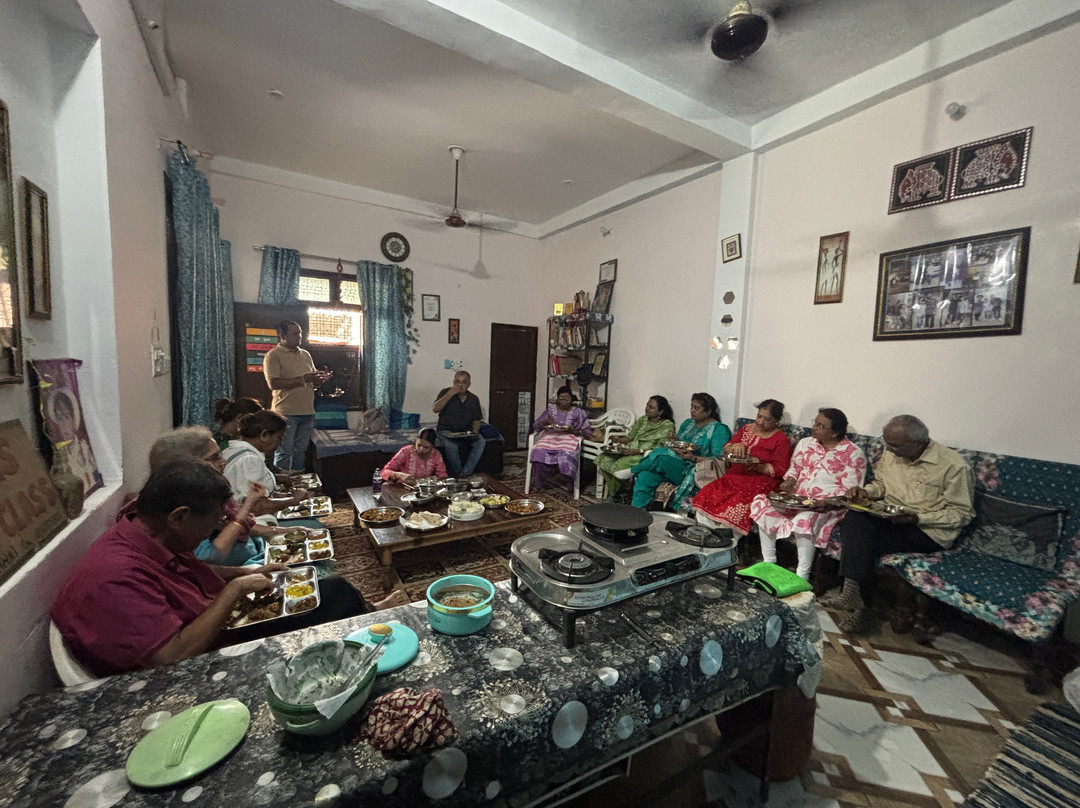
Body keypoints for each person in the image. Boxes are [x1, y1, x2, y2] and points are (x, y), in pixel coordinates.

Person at [50, 461, 379, 677]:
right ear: (178, 517)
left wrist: (245, 573)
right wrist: (235, 590)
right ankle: (356, 655)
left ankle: (371, 616)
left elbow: (185, 570)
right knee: (336, 599)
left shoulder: (141, 529)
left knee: (326, 590)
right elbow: (172, 656)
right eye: (212, 522)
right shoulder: (116, 577)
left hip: (202, 619)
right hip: (193, 664)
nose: (220, 527)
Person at [825, 414, 975, 634]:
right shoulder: (892, 451)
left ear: (918, 443)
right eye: (886, 442)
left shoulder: (954, 467)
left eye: (895, 445)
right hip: (891, 519)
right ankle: (856, 598)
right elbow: (881, 485)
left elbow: (962, 513)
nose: (888, 449)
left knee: (863, 541)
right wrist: (866, 492)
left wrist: (918, 517)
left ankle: (859, 604)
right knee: (854, 517)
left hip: (927, 531)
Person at [748, 408, 866, 579]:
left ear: (835, 433)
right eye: (815, 422)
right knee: (763, 504)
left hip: (827, 505)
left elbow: (850, 494)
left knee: (805, 519)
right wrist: (789, 482)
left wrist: (826, 502)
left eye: (820, 426)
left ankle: (801, 575)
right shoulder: (805, 443)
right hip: (797, 499)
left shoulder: (853, 454)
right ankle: (769, 563)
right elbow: (794, 471)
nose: (814, 428)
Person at [144, 426, 276, 566]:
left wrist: (278, 531)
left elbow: (234, 527)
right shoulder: (186, 504)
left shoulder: (209, 490)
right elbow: (209, 557)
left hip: (252, 554)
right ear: (186, 466)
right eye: (214, 458)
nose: (223, 462)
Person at [693, 399, 793, 534]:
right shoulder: (747, 429)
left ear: (776, 421)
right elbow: (727, 447)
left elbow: (781, 469)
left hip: (760, 481)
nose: (760, 422)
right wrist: (734, 446)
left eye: (767, 419)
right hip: (735, 475)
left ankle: (727, 538)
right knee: (708, 492)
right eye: (759, 416)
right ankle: (711, 533)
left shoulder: (780, 439)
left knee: (738, 501)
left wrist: (758, 467)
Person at [630, 393, 731, 510]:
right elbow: (680, 445)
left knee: (661, 456)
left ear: (708, 411)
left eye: (696, 408)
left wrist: (693, 458)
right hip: (677, 465)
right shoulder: (688, 423)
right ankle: (637, 516)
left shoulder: (719, 430)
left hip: (696, 471)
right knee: (645, 477)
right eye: (691, 407)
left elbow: (719, 460)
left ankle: (632, 470)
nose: (692, 410)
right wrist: (673, 441)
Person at [263, 321, 331, 471]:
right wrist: (303, 379)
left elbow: (311, 380)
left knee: (301, 451)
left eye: (300, 333)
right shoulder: (273, 355)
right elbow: (273, 384)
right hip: (286, 413)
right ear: (283, 336)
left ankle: (298, 483)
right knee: (284, 452)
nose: (300, 336)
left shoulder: (305, 354)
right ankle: (282, 485)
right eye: (295, 333)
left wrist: (319, 380)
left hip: (307, 412)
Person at [222, 410, 308, 517]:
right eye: (279, 438)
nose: (280, 443)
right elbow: (255, 507)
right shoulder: (249, 460)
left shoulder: (234, 451)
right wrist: (293, 500)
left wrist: (286, 496)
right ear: (264, 435)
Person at [594, 396, 675, 500]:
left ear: (660, 412)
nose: (647, 408)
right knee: (604, 457)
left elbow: (660, 448)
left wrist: (638, 451)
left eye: (651, 407)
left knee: (620, 465)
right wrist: (618, 439)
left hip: (646, 456)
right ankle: (617, 492)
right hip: (629, 450)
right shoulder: (643, 419)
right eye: (647, 405)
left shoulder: (667, 425)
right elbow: (630, 437)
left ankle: (618, 493)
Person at [528, 386, 593, 492]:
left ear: (572, 399)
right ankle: (538, 483)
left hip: (569, 438)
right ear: (557, 399)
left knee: (567, 454)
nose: (563, 402)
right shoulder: (551, 410)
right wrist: (544, 422)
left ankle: (570, 483)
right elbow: (536, 426)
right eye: (561, 399)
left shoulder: (578, 412)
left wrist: (573, 430)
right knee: (538, 451)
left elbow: (587, 432)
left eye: (566, 399)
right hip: (550, 437)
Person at [433, 370, 486, 476]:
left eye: (464, 382)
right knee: (451, 446)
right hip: (446, 431)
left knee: (481, 441)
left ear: (469, 384)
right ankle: (460, 475)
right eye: (458, 381)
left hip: (465, 432)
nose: (460, 385)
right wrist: (451, 393)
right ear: (453, 382)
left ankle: (465, 473)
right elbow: (435, 409)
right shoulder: (445, 392)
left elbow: (477, 419)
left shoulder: (473, 399)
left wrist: (475, 430)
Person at [380, 428, 448, 485]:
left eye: (426, 447)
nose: (421, 449)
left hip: (425, 489)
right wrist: (401, 475)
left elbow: (443, 476)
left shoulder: (436, 455)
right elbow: (384, 471)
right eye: (419, 445)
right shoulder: (406, 451)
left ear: (433, 446)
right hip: (403, 487)